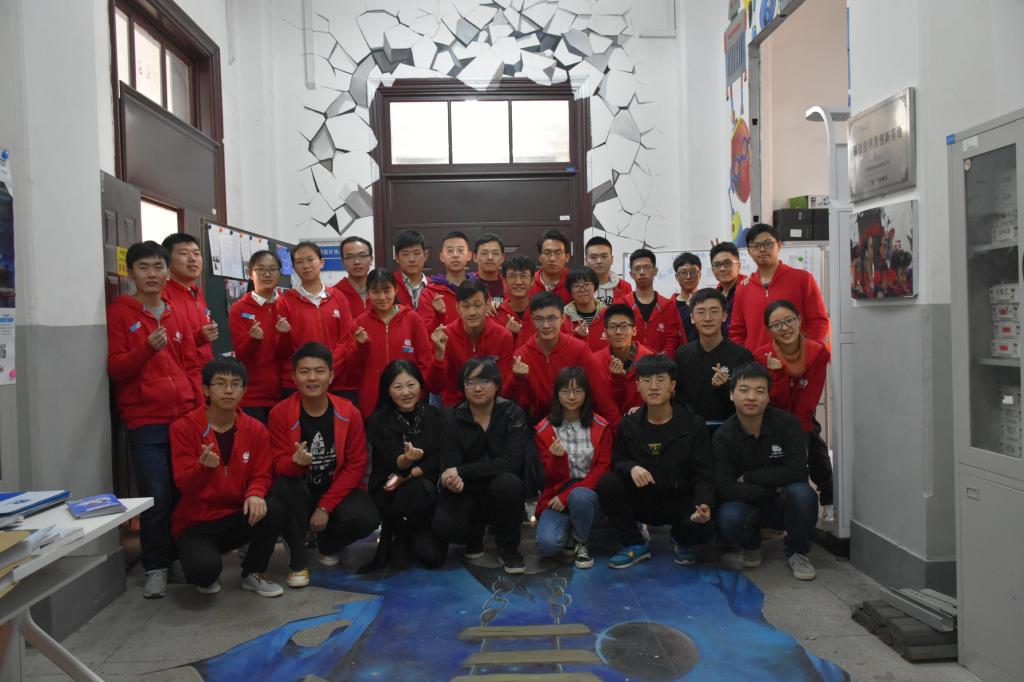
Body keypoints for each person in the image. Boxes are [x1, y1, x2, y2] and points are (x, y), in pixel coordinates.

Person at [107, 240, 203, 599]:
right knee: (156, 496)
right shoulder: (120, 312)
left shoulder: (176, 312)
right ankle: (155, 566)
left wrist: (199, 411)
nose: (152, 274)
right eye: (143, 267)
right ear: (130, 272)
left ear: (167, 272)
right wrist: (147, 348)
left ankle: (177, 558)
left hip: (184, 418)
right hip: (145, 420)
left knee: (182, 494)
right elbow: (116, 367)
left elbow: (191, 365)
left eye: (158, 267)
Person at [170, 357, 285, 597]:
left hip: (237, 515)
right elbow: (183, 484)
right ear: (205, 389)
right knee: (204, 574)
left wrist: (255, 493)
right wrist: (203, 469)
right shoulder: (183, 427)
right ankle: (201, 563)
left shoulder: (256, 429)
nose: (229, 390)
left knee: (272, 506)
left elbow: (262, 474)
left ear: (244, 390)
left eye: (235, 384)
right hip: (199, 522)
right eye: (220, 383)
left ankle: (254, 571)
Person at [268, 343, 380, 587]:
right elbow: (277, 466)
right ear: (294, 376)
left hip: (335, 489)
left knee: (368, 518)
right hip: (299, 491)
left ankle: (326, 545)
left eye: (319, 371)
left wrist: (325, 507)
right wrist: (295, 463)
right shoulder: (280, 413)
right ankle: (298, 560)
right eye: (304, 371)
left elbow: (357, 465)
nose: (312, 378)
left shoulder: (348, 412)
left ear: (331, 376)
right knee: (284, 488)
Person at [596, 354, 715, 569]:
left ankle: (681, 538)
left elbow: (703, 473)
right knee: (608, 484)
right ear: (638, 386)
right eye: (646, 380)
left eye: (660, 379)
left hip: (680, 498)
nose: (653, 386)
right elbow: (617, 461)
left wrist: (704, 503)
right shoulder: (629, 424)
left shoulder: (693, 424)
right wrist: (631, 467)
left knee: (705, 524)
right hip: (644, 499)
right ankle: (634, 542)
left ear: (673, 386)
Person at [713, 362, 818, 581]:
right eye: (744, 390)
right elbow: (726, 487)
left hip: (781, 503)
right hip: (748, 503)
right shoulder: (723, 436)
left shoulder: (788, 424)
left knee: (803, 494)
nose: (751, 397)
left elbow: (797, 471)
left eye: (760, 391)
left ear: (769, 397)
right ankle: (750, 545)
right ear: (731, 394)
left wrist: (749, 477)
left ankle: (797, 552)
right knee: (728, 517)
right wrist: (773, 489)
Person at [432, 359, 530, 574]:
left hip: (501, 488)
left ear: (496, 385)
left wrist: (462, 471)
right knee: (445, 525)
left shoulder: (513, 413)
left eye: (485, 381)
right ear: (463, 387)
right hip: (468, 491)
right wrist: (453, 479)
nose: (477, 388)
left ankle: (508, 547)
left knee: (509, 483)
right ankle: (472, 535)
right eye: (470, 382)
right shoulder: (451, 418)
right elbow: (449, 466)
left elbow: (512, 462)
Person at [362, 360, 448, 572]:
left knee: (434, 558)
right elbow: (393, 463)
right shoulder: (379, 421)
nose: (406, 392)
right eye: (398, 387)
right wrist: (406, 459)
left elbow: (442, 455)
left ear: (420, 385)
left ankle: (412, 532)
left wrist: (412, 473)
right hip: (391, 490)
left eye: (411, 385)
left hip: (427, 491)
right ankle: (398, 533)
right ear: (387, 390)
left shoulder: (435, 415)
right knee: (417, 488)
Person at [754, 299, 833, 513]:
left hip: (801, 418)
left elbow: (809, 398)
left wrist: (793, 433)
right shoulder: (762, 356)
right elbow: (773, 401)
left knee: (813, 445)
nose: (784, 328)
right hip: (772, 418)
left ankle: (828, 498)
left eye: (789, 320)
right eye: (776, 324)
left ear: (799, 320)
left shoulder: (818, 353)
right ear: (769, 330)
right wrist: (778, 374)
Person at [534, 367, 611, 569]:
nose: (571, 397)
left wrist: (566, 496)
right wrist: (557, 459)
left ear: (586, 394)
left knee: (579, 496)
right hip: (556, 495)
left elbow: (603, 469)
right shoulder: (545, 429)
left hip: (589, 497)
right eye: (565, 391)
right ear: (556, 394)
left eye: (578, 391)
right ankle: (571, 528)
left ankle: (581, 542)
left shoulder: (600, 426)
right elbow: (547, 477)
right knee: (547, 545)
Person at [507, 292, 620, 429]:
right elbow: (508, 401)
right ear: (532, 319)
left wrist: (618, 433)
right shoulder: (522, 355)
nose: (546, 325)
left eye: (551, 318)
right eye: (539, 319)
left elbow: (601, 396)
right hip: (538, 426)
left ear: (562, 318)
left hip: (579, 423)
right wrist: (516, 379)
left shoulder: (579, 349)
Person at [338, 268, 432, 417]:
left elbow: (425, 360)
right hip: (372, 402)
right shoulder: (359, 324)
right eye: (375, 292)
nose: (382, 297)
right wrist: (360, 347)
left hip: (409, 399)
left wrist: (417, 391)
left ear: (396, 290)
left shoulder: (412, 319)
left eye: (387, 290)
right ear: (368, 293)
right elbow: (352, 370)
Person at [729, 223, 829, 352]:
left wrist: (805, 353)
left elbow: (818, 322)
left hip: (796, 360)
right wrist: (745, 359)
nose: (762, 249)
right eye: (756, 246)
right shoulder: (743, 289)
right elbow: (737, 332)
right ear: (749, 251)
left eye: (768, 244)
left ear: (779, 245)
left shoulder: (803, 279)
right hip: (756, 362)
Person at [277, 241, 354, 395]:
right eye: (299, 262)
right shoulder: (285, 301)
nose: (306, 266)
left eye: (310, 259)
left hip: (337, 379)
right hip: (301, 383)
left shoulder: (338, 297)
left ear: (321, 262)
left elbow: (347, 338)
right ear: (294, 267)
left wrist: (327, 369)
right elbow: (284, 349)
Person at [427, 279, 513, 407]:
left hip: (491, 406)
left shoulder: (503, 336)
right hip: (454, 407)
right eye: (466, 306)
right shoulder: (446, 336)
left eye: (477, 305)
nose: (472, 312)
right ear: (457, 308)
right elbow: (434, 387)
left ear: (487, 305)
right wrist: (439, 355)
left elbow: (502, 385)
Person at [674, 288, 753, 428]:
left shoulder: (741, 356)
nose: (708, 318)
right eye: (701, 312)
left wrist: (725, 387)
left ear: (724, 316)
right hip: (691, 430)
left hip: (730, 430)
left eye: (714, 311)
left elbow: (749, 401)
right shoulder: (682, 354)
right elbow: (678, 399)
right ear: (692, 318)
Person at [229, 249, 291, 422]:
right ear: (250, 273)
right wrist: (253, 340)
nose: (267, 274)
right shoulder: (240, 309)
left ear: (279, 273)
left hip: (286, 391)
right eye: (261, 269)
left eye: (272, 269)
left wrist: (285, 335)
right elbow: (242, 356)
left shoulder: (287, 304)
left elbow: (288, 352)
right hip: (253, 396)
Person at [161, 233, 218, 366]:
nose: (192, 259)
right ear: (167, 261)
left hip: (206, 371)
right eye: (184, 253)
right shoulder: (162, 295)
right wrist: (199, 337)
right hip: (180, 372)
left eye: (197, 253)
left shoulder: (198, 293)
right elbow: (165, 342)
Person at [495, 254, 570, 349]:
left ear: (532, 280)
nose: (518, 282)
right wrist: (506, 335)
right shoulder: (495, 313)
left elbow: (563, 345)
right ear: (505, 281)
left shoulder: (546, 312)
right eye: (512, 276)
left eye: (523, 276)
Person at [593, 303, 655, 415]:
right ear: (605, 332)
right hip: (609, 422)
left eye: (624, 326)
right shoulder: (595, 362)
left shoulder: (650, 359)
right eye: (613, 327)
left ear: (634, 330)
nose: (618, 332)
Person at [618, 249, 682, 356]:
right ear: (631, 274)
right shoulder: (621, 305)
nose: (642, 272)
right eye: (637, 268)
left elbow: (671, 341)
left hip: (660, 364)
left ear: (655, 271)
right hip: (629, 364)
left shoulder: (669, 306)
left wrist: (661, 361)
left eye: (647, 267)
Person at [392, 229, 442, 327]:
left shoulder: (436, 286)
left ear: (425, 255)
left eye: (416, 253)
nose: (412, 259)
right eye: (405, 254)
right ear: (397, 258)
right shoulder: (389, 285)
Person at [426, 230, 475, 329]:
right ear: (442, 257)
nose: (455, 255)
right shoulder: (429, 293)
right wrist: (439, 315)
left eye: (460, 250)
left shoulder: (479, 288)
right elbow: (425, 333)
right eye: (450, 251)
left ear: (469, 256)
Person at [564, 267, 608, 352]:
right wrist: (576, 336)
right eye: (576, 286)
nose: (582, 290)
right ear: (570, 290)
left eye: (587, 284)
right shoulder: (563, 318)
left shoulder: (607, 315)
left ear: (595, 287)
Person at [709, 241, 747, 334]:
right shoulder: (715, 295)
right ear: (713, 269)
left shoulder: (748, 288)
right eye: (717, 265)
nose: (722, 269)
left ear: (738, 266)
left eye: (727, 263)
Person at [585, 235, 632, 306]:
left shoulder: (625, 287)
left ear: (612, 259)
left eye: (604, 256)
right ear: (586, 261)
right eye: (593, 257)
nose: (599, 261)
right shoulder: (579, 287)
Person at [529, 229, 572, 304]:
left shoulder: (574, 282)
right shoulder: (529, 283)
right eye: (547, 253)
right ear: (540, 257)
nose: (552, 259)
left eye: (558, 253)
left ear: (567, 257)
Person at [336, 236, 373, 316]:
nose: (357, 262)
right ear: (342, 262)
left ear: (371, 259)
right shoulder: (335, 295)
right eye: (349, 257)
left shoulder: (383, 292)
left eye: (362, 256)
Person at [671, 252, 702, 345]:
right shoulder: (669, 306)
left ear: (699, 274)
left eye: (692, 272)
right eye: (684, 273)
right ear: (677, 277)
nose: (688, 277)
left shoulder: (708, 302)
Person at [473, 233, 506, 305]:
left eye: (495, 253)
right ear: (475, 257)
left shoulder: (509, 285)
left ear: (502, 258)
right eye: (484, 253)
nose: (490, 257)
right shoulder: (467, 284)